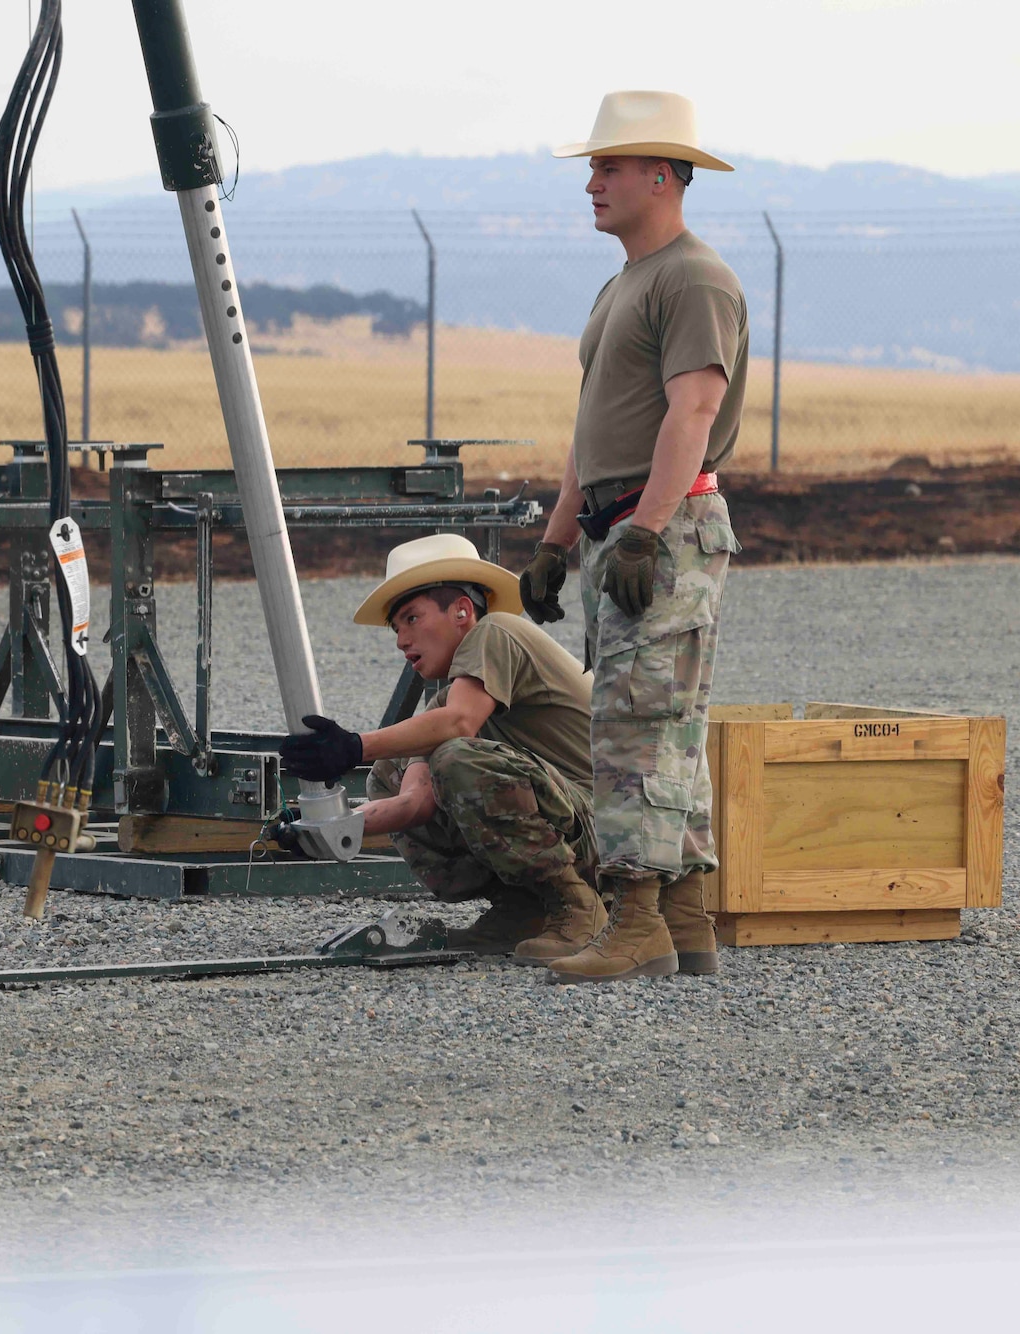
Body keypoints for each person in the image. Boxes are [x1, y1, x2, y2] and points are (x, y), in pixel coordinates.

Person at [518, 90, 748, 983]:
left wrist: (648, 530)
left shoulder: (693, 278)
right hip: (622, 529)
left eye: (607, 167)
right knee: (654, 727)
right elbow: (593, 427)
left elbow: (693, 410)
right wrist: (557, 539)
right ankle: (686, 927)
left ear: (663, 174)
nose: (591, 182)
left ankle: (637, 923)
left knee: (636, 732)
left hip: (667, 524)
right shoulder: (626, 285)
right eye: (592, 166)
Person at [278, 533, 607, 962]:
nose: (400, 640)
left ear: (462, 611)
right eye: (397, 628)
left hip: (611, 833)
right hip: (573, 828)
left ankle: (579, 906)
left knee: (455, 758)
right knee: (391, 771)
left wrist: (353, 747)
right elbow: (415, 802)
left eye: (411, 619)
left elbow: (459, 724)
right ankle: (525, 908)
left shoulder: (497, 632)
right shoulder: (448, 702)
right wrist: (322, 826)